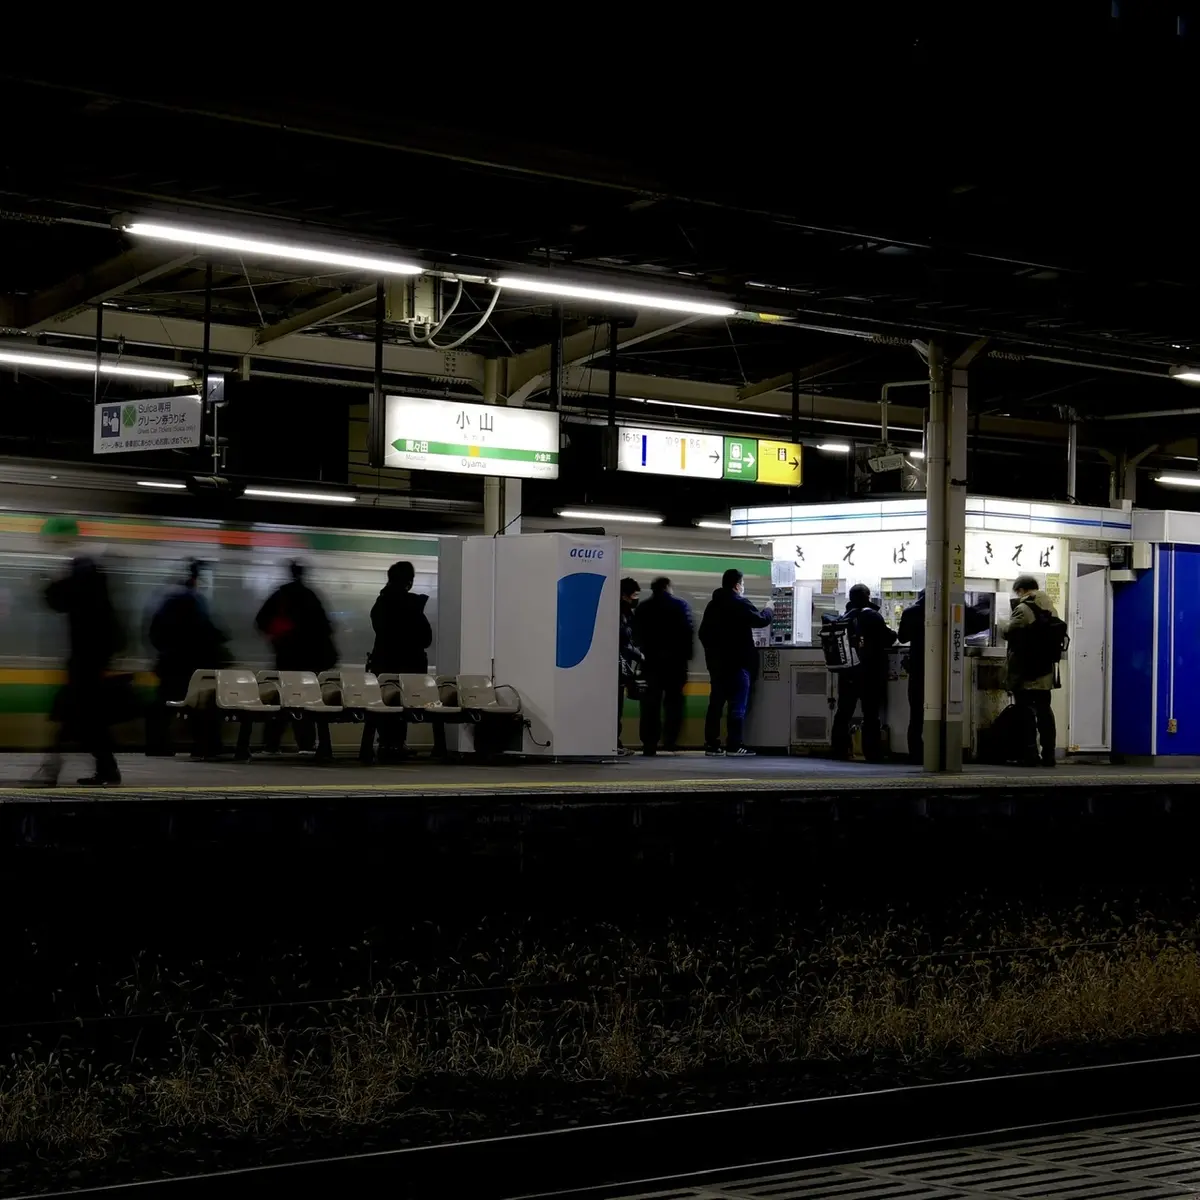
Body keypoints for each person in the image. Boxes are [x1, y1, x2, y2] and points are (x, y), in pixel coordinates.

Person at [33, 517, 124, 786]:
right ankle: (101, 769)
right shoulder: (85, 564)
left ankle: (53, 768)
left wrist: (48, 585)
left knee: (79, 714)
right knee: (83, 716)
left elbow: (63, 600)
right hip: (91, 654)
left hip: (88, 655)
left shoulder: (83, 565)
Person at [146, 560, 229, 757]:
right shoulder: (193, 601)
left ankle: (158, 745)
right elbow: (204, 631)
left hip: (172, 661)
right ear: (196, 579)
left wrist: (165, 651)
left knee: (166, 705)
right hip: (189, 664)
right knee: (199, 706)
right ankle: (206, 746)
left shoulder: (169, 600)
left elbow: (155, 632)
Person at [899, 590, 991, 765]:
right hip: (947, 667)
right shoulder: (955, 610)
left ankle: (916, 754)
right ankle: (943, 752)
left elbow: (902, 638)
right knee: (945, 710)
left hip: (919, 667)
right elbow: (981, 621)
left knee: (917, 713)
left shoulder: (910, 612)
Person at [255, 561, 337, 753]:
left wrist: (278, 639)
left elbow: (261, 621)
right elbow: (326, 627)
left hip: (286, 658)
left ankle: (271, 743)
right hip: (309, 662)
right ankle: (306, 744)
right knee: (305, 704)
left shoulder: (281, 595)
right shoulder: (311, 596)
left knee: (281, 702)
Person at [363, 560, 433, 763]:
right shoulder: (412, 606)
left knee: (386, 704)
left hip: (383, 663)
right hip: (409, 665)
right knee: (402, 707)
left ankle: (385, 743)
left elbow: (381, 631)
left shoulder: (380, 604)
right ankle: (396, 744)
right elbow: (426, 638)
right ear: (408, 581)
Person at [698, 568, 772, 757]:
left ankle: (712, 745)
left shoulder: (712, 605)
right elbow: (760, 620)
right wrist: (769, 608)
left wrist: (714, 653)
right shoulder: (739, 603)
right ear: (737, 585)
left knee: (715, 704)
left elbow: (703, 634)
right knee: (737, 705)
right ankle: (734, 745)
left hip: (716, 666)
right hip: (738, 664)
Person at [830, 583, 897, 763]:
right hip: (869, 672)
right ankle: (872, 752)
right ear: (867, 596)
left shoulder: (845, 616)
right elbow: (889, 638)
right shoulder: (872, 616)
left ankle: (839, 750)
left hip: (847, 672)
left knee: (844, 712)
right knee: (870, 714)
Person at [1002, 573, 1060, 767]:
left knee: (1025, 713)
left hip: (1026, 671)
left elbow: (1010, 632)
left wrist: (1001, 625)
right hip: (1045, 670)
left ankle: (1030, 755)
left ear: (1021, 590)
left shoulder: (1022, 608)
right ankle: (1049, 755)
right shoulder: (1050, 607)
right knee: (1045, 712)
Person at [633, 577, 694, 756]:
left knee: (649, 705)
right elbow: (687, 633)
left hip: (650, 664)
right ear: (668, 587)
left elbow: (636, 635)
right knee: (674, 703)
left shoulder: (643, 608)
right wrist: (686, 659)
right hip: (675, 665)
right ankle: (670, 741)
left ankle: (649, 743)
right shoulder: (680, 606)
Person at [617, 577, 643, 756]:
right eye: (633, 595)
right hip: (618, 666)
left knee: (618, 707)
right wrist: (638, 654)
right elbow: (622, 640)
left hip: (621, 666)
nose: (636, 599)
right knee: (615, 706)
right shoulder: (618, 612)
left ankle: (615, 742)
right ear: (623, 595)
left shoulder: (625, 612)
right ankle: (613, 743)